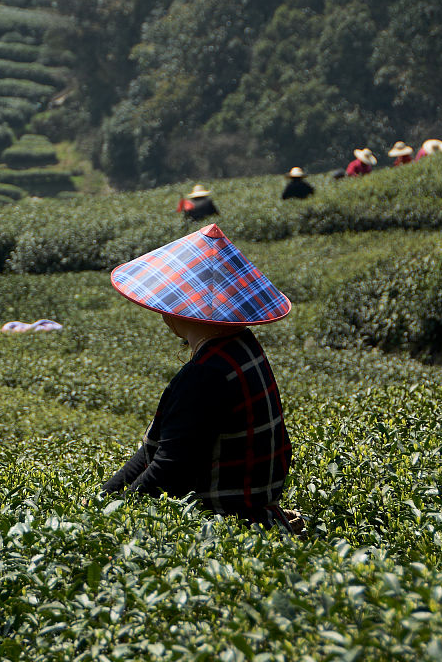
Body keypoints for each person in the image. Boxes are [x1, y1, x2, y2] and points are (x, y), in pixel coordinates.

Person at [102, 223, 300, 534]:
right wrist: (103, 499)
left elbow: (168, 471)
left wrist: (109, 522)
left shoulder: (204, 376)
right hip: (259, 515)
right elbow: (155, 452)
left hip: (229, 530)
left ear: (175, 311)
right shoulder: (243, 345)